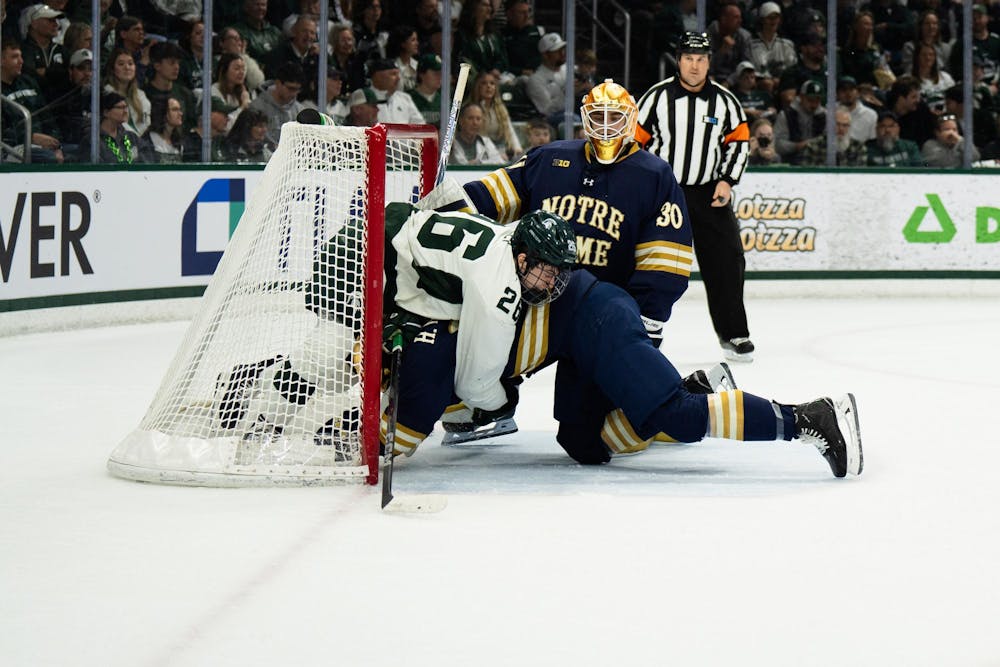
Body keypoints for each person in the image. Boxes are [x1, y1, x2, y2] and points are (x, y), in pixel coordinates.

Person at [373, 203, 862, 480]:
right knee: (583, 444)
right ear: (521, 254)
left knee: (677, 415)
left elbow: (482, 385)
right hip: (571, 339)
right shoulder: (496, 262)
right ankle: (696, 384)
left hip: (599, 319)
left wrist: (482, 403)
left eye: (559, 268)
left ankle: (808, 418)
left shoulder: (506, 279)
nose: (555, 279)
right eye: (547, 269)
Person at [466, 79, 692, 345]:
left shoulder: (654, 175)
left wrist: (648, 317)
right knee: (488, 371)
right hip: (538, 302)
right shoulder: (548, 158)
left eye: (615, 118)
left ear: (630, 121)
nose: (606, 126)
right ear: (585, 119)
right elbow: (488, 197)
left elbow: (666, 255)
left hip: (608, 311)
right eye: (598, 116)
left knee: (590, 385)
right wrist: (451, 204)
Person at [636, 32, 754, 362]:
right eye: (689, 58)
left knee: (728, 261)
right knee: (652, 261)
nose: (694, 65)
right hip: (664, 194)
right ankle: (640, 331)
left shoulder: (726, 101)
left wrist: (727, 181)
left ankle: (734, 333)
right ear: (678, 60)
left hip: (709, 194)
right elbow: (635, 144)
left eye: (701, 59)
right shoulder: (656, 98)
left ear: (709, 63)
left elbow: (739, 143)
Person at [1, 39, 64, 163]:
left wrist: (57, 145)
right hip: (15, 147)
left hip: (43, 144)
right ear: (1, 61)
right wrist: (30, 137)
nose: (21, 61)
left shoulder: (28, 82)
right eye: (15, 57)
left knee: (78, 152)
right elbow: (4, 132)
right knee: (49, 158)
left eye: (21, 56)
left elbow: (47, 116)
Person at [347, 58, 424, 125]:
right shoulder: (361, 96)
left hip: (404, 141)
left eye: (398, 74)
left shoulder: (405, 98)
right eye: (393, 74)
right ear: (378, 76)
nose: (398, 78)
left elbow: (420, 126)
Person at [143, 41, 198, 132]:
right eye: (172, 63)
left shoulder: (185, 94)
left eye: (178, 63)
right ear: (157, 65)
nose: (177, 67)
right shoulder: (144, 94)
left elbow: (191, 125)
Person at [467, 69, 522, 160]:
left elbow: (510, 131)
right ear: (477, 87)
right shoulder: (471, 110)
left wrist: (517, 148)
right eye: (484, 83)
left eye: (492, 83)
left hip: (501, 151)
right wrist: (495, 155)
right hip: (479, 153)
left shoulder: (501, 109)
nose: (488, 87)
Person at [265, 16, 322, 103]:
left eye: (312, 33)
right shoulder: (278, 54)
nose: (308, 36)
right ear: (294, 32)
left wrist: (324, 56)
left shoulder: (316, 57)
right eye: (304, 31)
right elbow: (272, 86)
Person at [247, 61, 305, 145]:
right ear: (278, 83)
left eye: (297, 90)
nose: (294, 93)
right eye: (290, 88)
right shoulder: (257, 107)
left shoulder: (300, 111)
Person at [79, 90, 142, 164]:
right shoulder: (92, 141)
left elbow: (146, 156)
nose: (125, 111)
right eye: (120, 107)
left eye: (125, 107)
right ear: (106, 112)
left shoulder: (132, 137)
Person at [773, 79, 826, 165]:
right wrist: (797, 146)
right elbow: (777, 144)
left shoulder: (825, 116)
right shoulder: (786, 115)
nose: (814, 104)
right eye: (810, 100)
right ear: (801, 97)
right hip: (791, 164)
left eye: (817, 100)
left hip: (819, 163)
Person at [749, 1, 797, 95]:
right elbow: (751, 69)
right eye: (770, 18)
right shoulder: (751, 45)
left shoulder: (787, 44)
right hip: (759, 84)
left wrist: (780, 80)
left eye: (776, 17)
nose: (773, 21)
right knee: (767, 84)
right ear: (762, 20)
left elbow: (792, 68)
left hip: (784, 84)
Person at [453, 0, 508, 80]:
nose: (489, 9)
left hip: (496, 76)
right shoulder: (462, 35)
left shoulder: (495, 34)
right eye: (484, 5)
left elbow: (503, 58)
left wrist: (497, 69)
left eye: (489, 6)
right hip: (474, 79)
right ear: (473, 8)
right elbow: (464, 60)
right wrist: (484, 74)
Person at [524, 32, 568, 122]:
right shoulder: (536, 80)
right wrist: (567, 93)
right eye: (557, 51)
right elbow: (546, 110)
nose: (562, 53)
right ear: (545, 55)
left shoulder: (571, 69)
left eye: (562, 49)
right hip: (554, 120)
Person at [800, 108, 868, 166]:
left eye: (845, 125)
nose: (841, 128)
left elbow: (860, 176)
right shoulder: (813, 146)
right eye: (837, 124)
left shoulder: (859, 147)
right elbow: (807, 176)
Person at [707, 1, 753, 84]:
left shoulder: (744, 36)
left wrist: (729, 82)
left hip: (735, 78)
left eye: (740, 17)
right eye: (736, 17)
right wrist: (722, 51)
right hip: (713, 77)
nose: (740, 21)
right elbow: (706, 65)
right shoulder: (708, 35)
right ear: (724, 19)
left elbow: (745, 65)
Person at [219, 26, 266, 95]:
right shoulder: (216, 61)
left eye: (239, 39)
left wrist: (243, 56)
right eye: (233, 38)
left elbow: (258, 82)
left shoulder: (245, 59)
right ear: (222, 43)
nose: (238, 42)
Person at [138, 97, 185, 163]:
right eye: (175, 110)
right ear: (163, 113)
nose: (180, 113)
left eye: (180, 109)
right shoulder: (148, 142)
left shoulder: (178, 142)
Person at [503, 0, 543, 76]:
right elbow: (502, 64)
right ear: (509, 14)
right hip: (515, 76)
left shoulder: (536, 31)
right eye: (522, 13)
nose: (527, 16)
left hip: (540, 73)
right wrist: (520, 71)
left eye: (528, 12)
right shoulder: (502, 36)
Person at [837, 76, 877, 144]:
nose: (848, 93)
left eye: (851, 89)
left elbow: (873, 141)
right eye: (844, 90)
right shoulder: (829, 111)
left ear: (858, 93)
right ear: (837, 94)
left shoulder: (871, 115)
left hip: (861, 152)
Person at [406, 53, 442, 127]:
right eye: (435, 73)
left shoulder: (444, 100)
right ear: (421, 74)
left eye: (441, 73)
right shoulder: (407, 99)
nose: (439, 77)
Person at [386, 24, 420, 92]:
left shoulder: (417, 65)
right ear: (403, 44)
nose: (417, 43)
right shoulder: (392, 67)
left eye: (416, 39)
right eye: (413, 40)